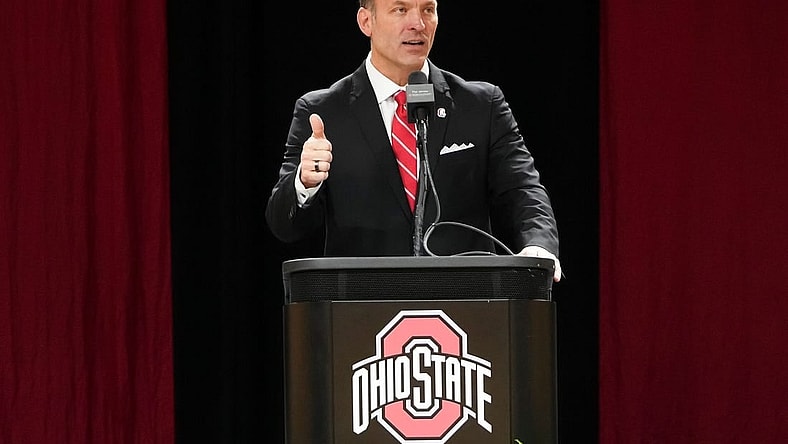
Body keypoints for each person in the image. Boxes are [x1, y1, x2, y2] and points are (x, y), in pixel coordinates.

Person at [266, 0, 562, 282]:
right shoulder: (323, 112)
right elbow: (284, 226)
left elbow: (522, 189)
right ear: (366, 21)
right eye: (400, 9)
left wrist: (539, 246)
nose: (418, 23)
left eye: (428, 9)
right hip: (363, 312)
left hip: (467, 305)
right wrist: (304, 183)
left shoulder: (481, 106)